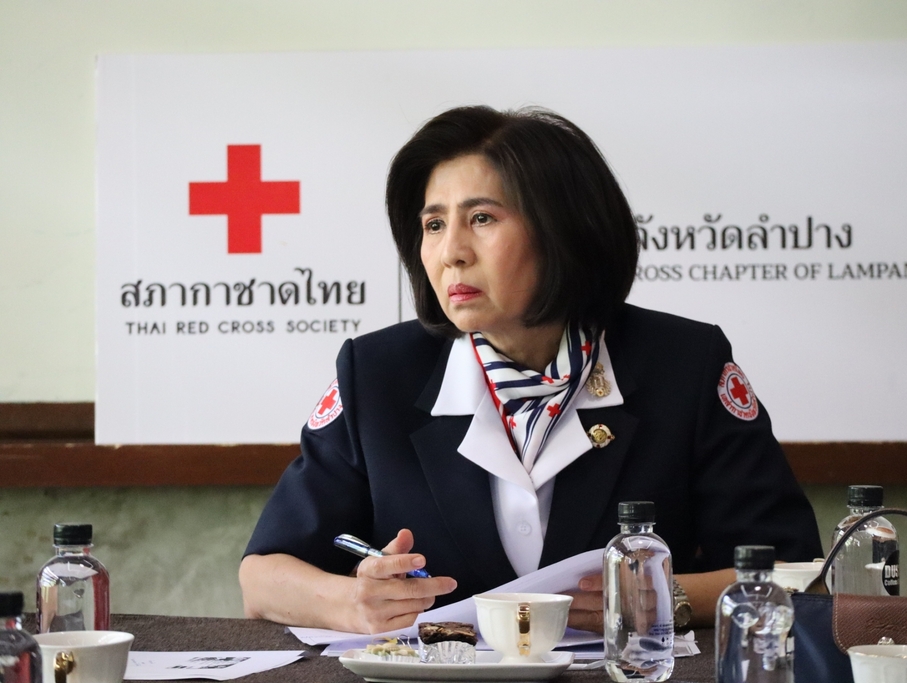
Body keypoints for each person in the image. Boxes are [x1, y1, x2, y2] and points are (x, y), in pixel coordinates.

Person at [239, 105, 822, 635]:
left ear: (563, 231)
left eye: (482, 218)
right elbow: (261, 578)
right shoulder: (377, 373)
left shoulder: (683, 365)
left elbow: (797, 572)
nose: (452, 252)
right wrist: (354, 602)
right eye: (434, 225)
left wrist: (667, 599)